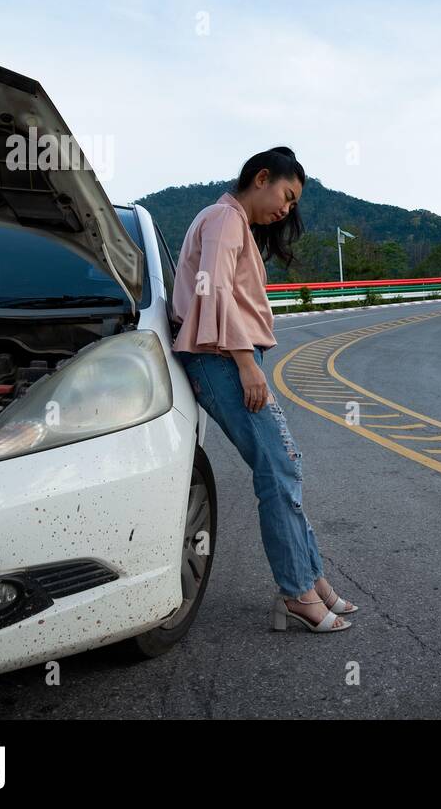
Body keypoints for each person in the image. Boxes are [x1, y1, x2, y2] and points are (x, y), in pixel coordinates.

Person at [171, 146, 356, 633]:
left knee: (284, 465)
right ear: (261, 177)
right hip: (220, 356)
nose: (287, 209)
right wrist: (246, 363)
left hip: (224, 354)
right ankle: (297, 590)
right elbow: (214, 291)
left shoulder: (228, 222)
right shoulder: (224, 219)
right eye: (287, 195)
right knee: (278, 470)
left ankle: (310, 578)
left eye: (294, 203)